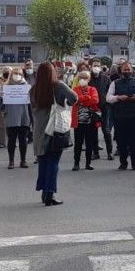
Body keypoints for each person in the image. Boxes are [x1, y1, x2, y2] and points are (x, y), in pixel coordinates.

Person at [31, 62, 77, 205]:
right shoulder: (59, 86)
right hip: (55, 128)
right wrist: (64, 103)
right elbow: (74, 98)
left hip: (39, 129)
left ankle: (44, 191)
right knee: (53, 162)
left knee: (43, 161)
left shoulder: (33, 89)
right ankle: (49, 194)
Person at [107, 62, 135, 171]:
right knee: (122, 141)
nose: (127, 71)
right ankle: (123, 163)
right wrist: (118, 97)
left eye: (128, 69)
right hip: (120, 116)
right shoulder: (115, 83)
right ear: (121, 71)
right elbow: (108, 98)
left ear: (132, 71)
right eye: (125, 70)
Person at [71, 70, 100, 171]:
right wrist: (87, 98)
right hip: (78, 121)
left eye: (85, 78)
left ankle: (88, 163)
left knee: (89, 143)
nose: (82, 80)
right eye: (80, 78)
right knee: (78, 143)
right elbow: (74, 100)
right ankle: (76, 163)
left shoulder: (93, 89)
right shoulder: (75, 89)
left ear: (89, 79)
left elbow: (95, 100)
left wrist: (82, 100)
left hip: (90, 121)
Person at [3, 68, 31, 169]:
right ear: (11, 74)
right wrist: (2, 98)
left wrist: (31, 118)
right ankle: (11, 161)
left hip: (24, 117)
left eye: (19, 74)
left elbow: (31, 104)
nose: (17, 75)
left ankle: (23, 160)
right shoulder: (6, 87)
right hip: (11, 117)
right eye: (15, 73)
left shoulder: (27, 87)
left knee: (23, 140)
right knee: (11, 140)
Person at [90, 60, 113, 160]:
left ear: (101, 67)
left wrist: (108, 102)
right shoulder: (88, 79)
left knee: (106, 131)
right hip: (92, 109)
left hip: (105, 108)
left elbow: (110, 91)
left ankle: (109, 152)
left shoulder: (106, 78)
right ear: (91, 67)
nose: (96, 67)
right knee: (93, 131)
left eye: (98, 66)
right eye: (94, 66)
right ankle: (95, 153)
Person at [0, 67, 10, 148]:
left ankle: (11, 142)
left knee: (11, 124)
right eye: (5, 71)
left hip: (11, 105)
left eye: (8, 71)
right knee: (1, 125)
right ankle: (1, 142)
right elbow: (0, 91)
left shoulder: (14, 80)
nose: (7, 73)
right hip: (1, 105)